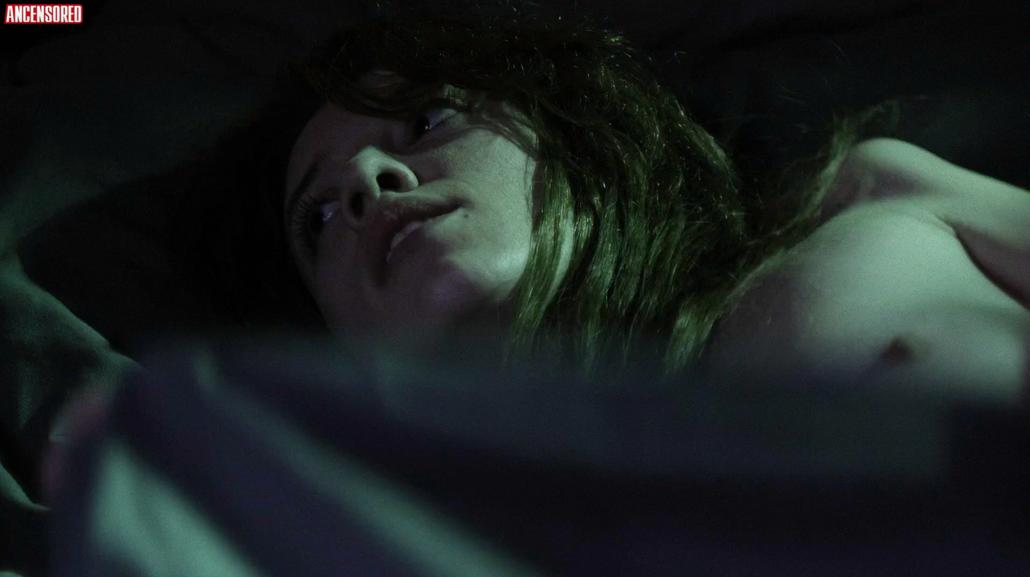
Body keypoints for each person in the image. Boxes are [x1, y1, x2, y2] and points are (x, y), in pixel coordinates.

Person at [222, 12, 1026, 399]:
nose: (366, 179)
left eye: (429, 121)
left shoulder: (878, 203)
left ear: (571, 132)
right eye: (317, 219)